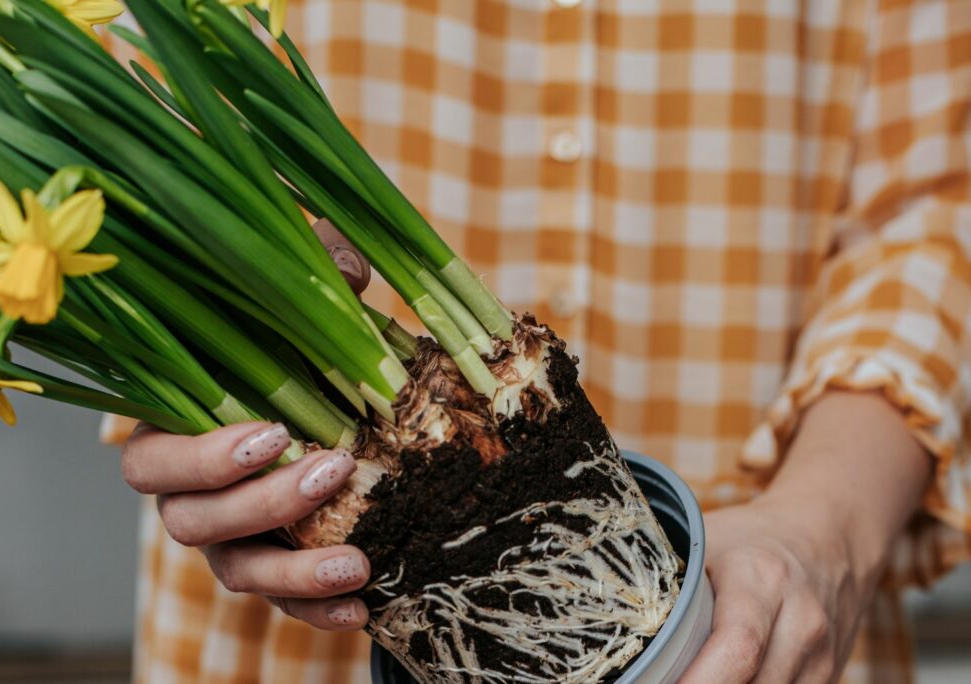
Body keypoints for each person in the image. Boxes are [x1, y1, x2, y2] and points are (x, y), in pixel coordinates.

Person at [104, 1, 971, 681]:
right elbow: (123, 167)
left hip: (764, 614)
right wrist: (205, 341)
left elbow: (936, 212)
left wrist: (828, 529)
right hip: (287, 620)